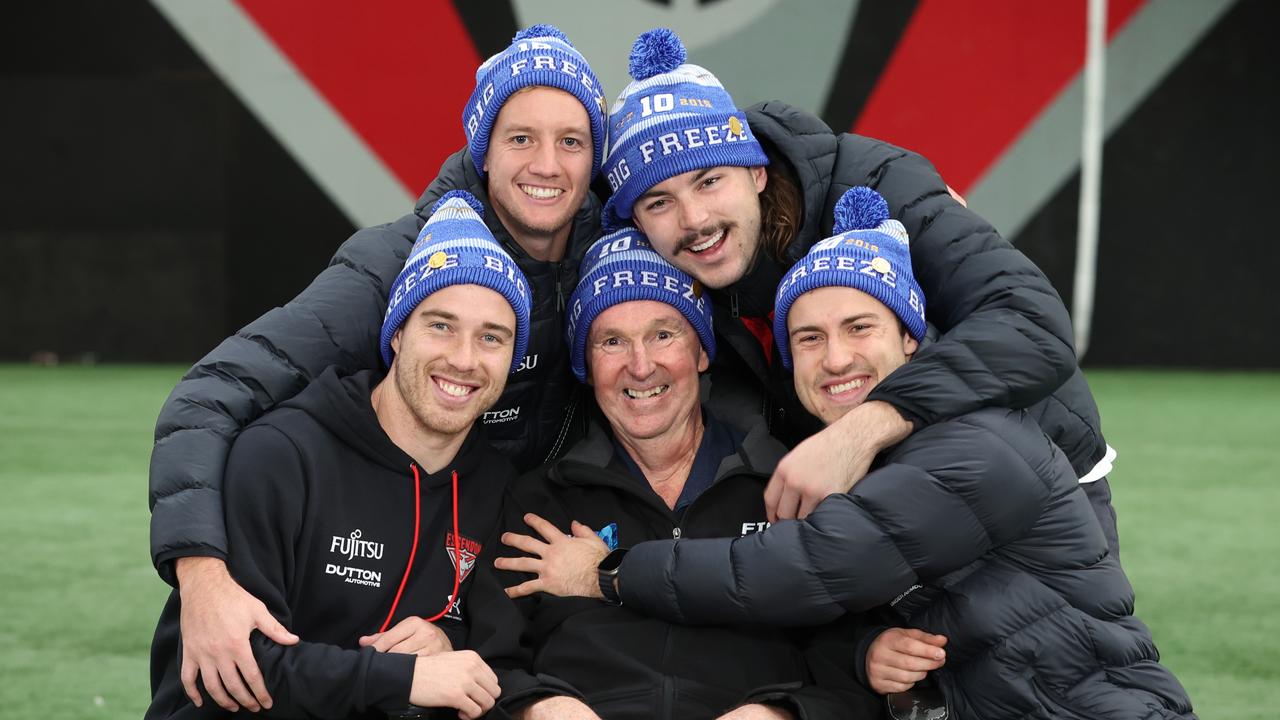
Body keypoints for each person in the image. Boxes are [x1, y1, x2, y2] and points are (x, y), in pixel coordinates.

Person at [503, 188, 1196, 719]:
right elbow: (858, 619)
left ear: (912, 344)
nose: (835, 358)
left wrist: (608, 572)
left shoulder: (973, 445)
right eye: (807, 339)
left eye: (859, 327)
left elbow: (808, 572)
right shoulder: (850, 464)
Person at [147, 25, 608, 712]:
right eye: (520, 138)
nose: (547, 163)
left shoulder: (611, 262)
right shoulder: (392, 270)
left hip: (479, 541)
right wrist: (203, 576)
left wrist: (455, 640)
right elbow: (213, 394)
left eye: (570, 140)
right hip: (371, 544)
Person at [599, 28, 1116, 545]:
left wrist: (864, 428)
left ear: (756, 171)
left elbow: (1031, 325)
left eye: (709, 180)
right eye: (658, 202)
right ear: (636, 221)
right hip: (874, 516)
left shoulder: (877, 183)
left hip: (1039, 490)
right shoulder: (657, 269)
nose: (695, 219)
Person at [493, 228, 878, 720]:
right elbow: (487, 660)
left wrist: (782, 714)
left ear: (701, 352)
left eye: (662, 334)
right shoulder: (541, 499)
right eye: (611, 341)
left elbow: (854, 670)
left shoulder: (794, 486)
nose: (640, 365)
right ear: (586, 366)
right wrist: (539, 708)